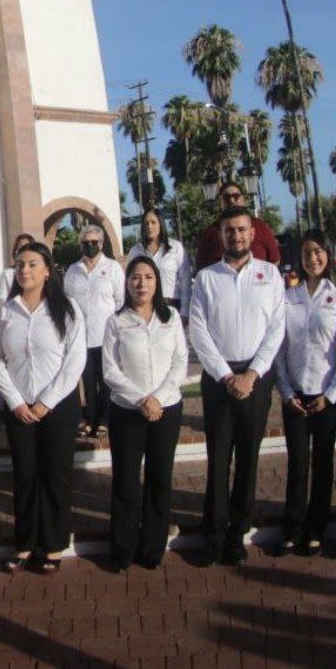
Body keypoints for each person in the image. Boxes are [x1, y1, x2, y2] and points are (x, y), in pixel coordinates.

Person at [189, 206, 287, 566]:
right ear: (221, 236)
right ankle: (212, 535)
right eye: (230, 231)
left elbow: (277, 327)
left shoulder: (270, 275)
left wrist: (252, 374)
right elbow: (197, 330)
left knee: (248, 456)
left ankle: (236, 534)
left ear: (253, 233)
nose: (237, 236)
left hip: (256, 379)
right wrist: (224, 375)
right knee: (218, 457)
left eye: (243, 230)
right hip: (218, 380)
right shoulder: (206, 278)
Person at [0, 242, 84, 574]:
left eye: (32, 264)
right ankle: (26, 542)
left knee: (55, 475)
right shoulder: (7, 310)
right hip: (20, 409)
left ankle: (54, 544)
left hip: (57, 406)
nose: (25, 270)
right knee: (25, 476)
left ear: (47, 270)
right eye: (20, 264)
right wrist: (16, 401)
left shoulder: (67, 308)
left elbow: (75, 361)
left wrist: (46, 402)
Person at [102, 256, 189, 571]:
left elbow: (181, 360)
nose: (142, 283)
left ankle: (152, 549)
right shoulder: (116, 322)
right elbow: (111, 371)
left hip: (166, 410)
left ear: (157, 282)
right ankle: (122, 551)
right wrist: (142, 399)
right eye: (135, 277)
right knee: (126, 482)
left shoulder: (171, 318)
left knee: (159, 479)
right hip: (127, 412)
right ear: (126, 283)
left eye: (148, 277)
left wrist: (159, 399)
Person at [273, 231, 336, 555]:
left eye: (319, 252)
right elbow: (279, 349)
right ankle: (293, 527)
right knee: (297, 463)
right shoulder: (288, 297)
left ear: (328, 254)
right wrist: (285, 389)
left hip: (327, 395)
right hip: (295, 393)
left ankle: (315, 529)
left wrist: (332, 393)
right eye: (307, 253)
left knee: (322, 463)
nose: (313, 259)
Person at [63, 224, 125, 438]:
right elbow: (67, 302)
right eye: (85, 243)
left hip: (105, 335)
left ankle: (104, 419)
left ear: (100, 244)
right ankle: (89, 417)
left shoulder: (113, 268)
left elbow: (120, 300)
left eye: (94, 243)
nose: (90, 246)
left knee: (105, 379)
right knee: (87, 381)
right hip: (82, 337)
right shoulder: (73, 270)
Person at [193, 181, 281, 271]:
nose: (231, 200)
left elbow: (275, 260)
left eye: (236, 196)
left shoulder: (260, 226)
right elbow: (201, 266)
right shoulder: (211, 232)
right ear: (221, 202)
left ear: (243, 199)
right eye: (226, 198)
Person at [126, 209, 191, 315]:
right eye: (146, 223)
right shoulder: (135, 251)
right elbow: (128, 281)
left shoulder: (175, 248)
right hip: (143, 308)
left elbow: (186, 281)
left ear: (160, 224)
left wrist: (185, 310)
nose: (149, 227)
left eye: (153, 222)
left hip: (171, 305)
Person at [0, 233, 36, 315]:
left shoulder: (40, 274)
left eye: (27, 247)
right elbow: (2, 301)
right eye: (19, 248)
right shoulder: (8, 274)